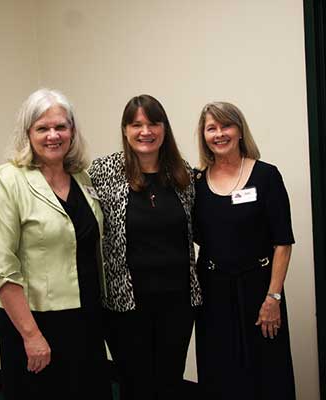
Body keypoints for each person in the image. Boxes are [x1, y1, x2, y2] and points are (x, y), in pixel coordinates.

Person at [0, 89, 111, 399]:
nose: (53, 135)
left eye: (60, 127)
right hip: (36, 322)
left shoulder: (82, 178)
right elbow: (2, 268)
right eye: (42, 128)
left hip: (87, 317)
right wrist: (31, 335)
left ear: (72, 131)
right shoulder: (4, 180)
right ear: (28, 133)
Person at [88, 94, 202, 400]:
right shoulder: (103, 171)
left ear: (164, 128)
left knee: (169, 383)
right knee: (135, 385)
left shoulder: (182, 173)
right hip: (126, 305)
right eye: (136, 124)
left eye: (153, 123)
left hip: (178, 303)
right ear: (125, 130)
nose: (145, 131)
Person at [193, 102, 296, 400]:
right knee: (220, 373)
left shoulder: (266, 176)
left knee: (267, 372)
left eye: (226, 126)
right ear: (204, 136)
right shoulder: (196, 183)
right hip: (213, 293)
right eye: (211, 128)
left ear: (240, 131)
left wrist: (273, 298)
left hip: (259, 291)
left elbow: (283, 242)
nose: (219, 134)